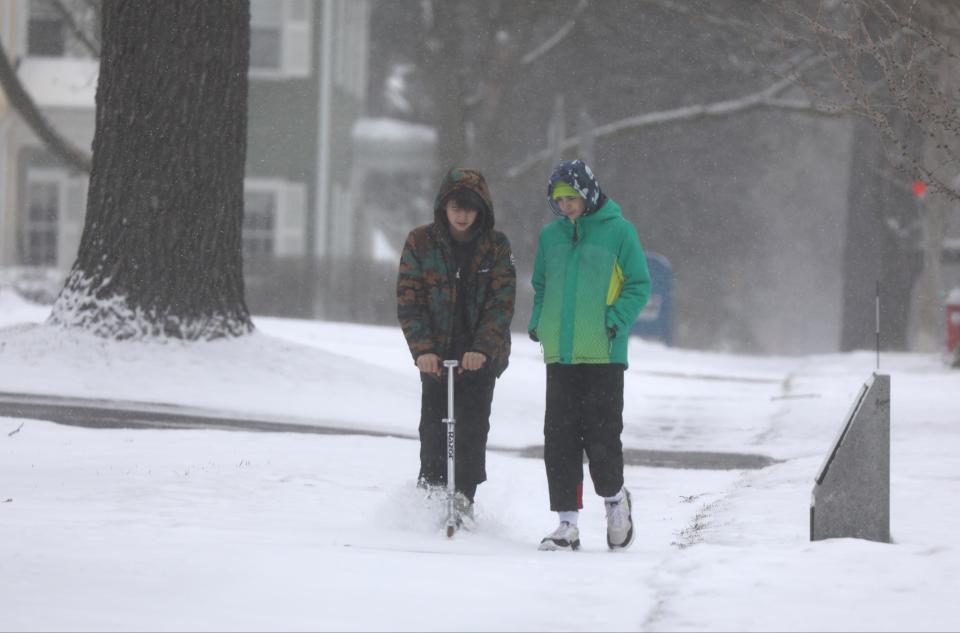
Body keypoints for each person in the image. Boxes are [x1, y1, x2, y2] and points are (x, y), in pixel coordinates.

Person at [528, 159, 651, 551]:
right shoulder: (551, 238)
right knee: (559, 438)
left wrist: (614, 321)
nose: (565, 206)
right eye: (559, 199)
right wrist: (538, 322)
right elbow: (541, 285)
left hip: (604, 354)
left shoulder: (619, 232)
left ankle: (615, 501)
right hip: (561, 356)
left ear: (588, 193)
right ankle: (567, 522)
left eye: (572, 197)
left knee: (601, 437)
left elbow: (638, 284)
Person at [397, 167, 516, 519]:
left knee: (471, 427)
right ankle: (430, 496)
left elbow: (501, 303)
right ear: (443, 207)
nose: (462, 215)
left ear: (481, 210)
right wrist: (423, 351)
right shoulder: (420, 243)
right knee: (434, 428)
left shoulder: (496, 246)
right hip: (436, 355)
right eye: (455, 207)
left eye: (469, 207)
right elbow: (409, 301)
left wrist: (482, 349)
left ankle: (463, 496)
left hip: (480, 357)